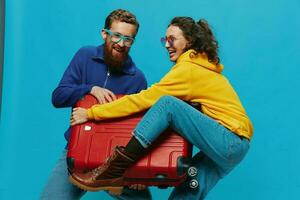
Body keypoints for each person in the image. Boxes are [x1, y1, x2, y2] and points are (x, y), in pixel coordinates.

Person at [70, 17, 254, 199]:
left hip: (229, 141)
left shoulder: (189, 70)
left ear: (188, 41)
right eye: (164, 40)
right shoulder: (202, 67)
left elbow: (142, 100)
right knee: (186, 193)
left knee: (168, 104)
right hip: (234, 148)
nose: (167, 45)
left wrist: (92, 113)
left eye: (172, 39)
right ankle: (116, 171)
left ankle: (114, 170)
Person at [40, 9, 152, 200]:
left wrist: (140, 171)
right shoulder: (85, 56)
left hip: (117, 159)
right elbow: (58, 97)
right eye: (116, 35)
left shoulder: (138, 79)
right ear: (104, 33)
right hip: (78, 151)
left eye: (128, 39)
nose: (121, 44)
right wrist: (89, 89)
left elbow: (139, 129)